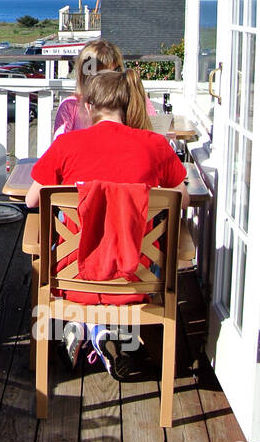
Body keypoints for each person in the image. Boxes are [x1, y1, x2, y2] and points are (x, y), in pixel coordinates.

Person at [25, 68, 187, 375]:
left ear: (88, 107)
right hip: (136, 277)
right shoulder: (155, 145)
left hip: (73, 278)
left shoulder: (66, 146)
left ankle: (85, 326)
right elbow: (182, 200)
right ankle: (105, 331)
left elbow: (32, 201)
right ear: (127, 106)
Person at [52, 39, 155, 138]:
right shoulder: (70, 106)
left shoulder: (134, 97)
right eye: (101, 75)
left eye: (115, 72)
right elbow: (60, 147)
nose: (108, 80)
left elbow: (154, 131)